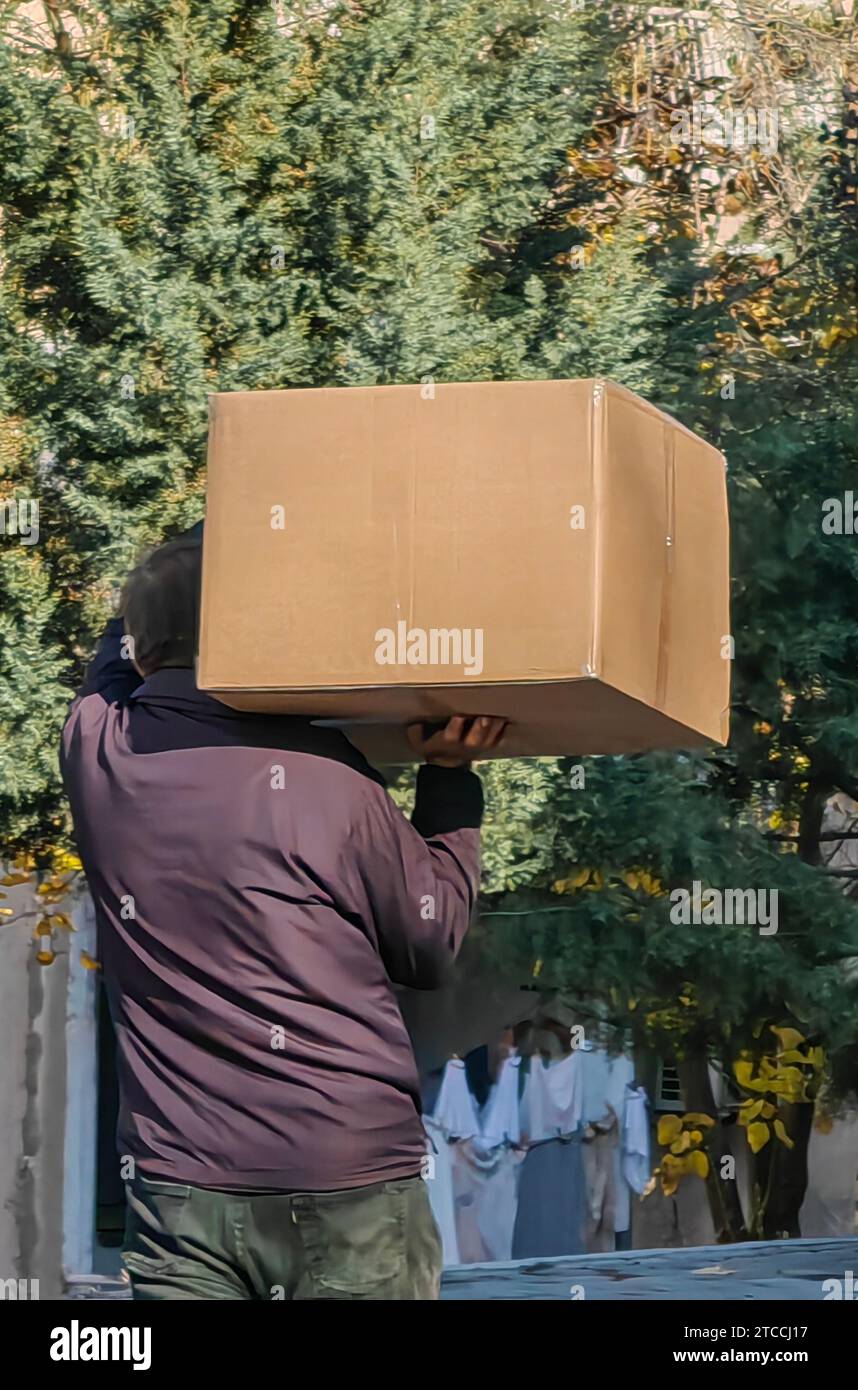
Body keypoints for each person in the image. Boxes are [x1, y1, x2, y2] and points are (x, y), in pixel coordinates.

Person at [60, 527, 505, 1300]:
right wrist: (450, 782)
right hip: (348, 1181)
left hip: (178, 1190)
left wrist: (195, 544)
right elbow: (429, 942)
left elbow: (113, 656)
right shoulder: (329, 778)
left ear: (139, 647)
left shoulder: (97, 751)